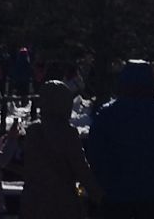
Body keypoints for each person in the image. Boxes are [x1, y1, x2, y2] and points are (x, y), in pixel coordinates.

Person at [86, 60, 154, 218]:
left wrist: (105, 177)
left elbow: (95, 151)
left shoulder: (108, 113)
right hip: (151, 190)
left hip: (115, 193)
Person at [21, 80, 101, 219]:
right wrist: (99, 196)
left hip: (33, 201)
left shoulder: (33, 132)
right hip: (62, 203)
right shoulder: (68, 134)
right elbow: (81, 168)